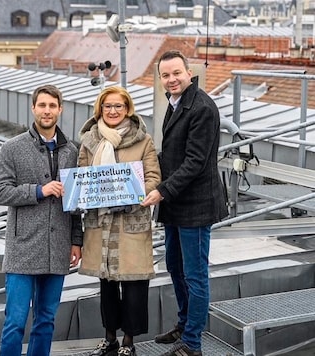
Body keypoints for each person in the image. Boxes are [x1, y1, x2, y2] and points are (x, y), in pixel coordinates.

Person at [144, 50, 229, 356]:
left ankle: (193, 343)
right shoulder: (175, 102)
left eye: (176, 73)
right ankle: (184, 324)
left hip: (195, 205)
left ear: (188, 72)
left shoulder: (202, 107)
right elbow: (171, 154)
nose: (171, 79)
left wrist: (161, 191)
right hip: (176, 204)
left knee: (195, 274)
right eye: (165, 75)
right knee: (175, 267)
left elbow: (194, 162)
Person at [0, 84, 83, 356]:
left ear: (60, 110)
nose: (47, 111)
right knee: (15, 323)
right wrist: (38, 191)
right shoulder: (12, 148)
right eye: (42, 105)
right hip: (22, 250)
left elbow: (75, 203)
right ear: (33, 108)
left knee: (46, 321)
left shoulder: (72, 152)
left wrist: (76, 241)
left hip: (58, 249)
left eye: (52, 106)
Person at [77, 86, 161, 356]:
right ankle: (110, 338)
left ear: (128, 109)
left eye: (118, 106)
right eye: (108, 106)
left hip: (130, 222)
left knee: (134, 285)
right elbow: (81, 176)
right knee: (107, 285)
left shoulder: (143, 141)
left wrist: (133, 195)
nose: (113, 111)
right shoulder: (89, 141)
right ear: (99, 109)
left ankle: (129, 342)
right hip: (100, 223)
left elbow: (153, 178)